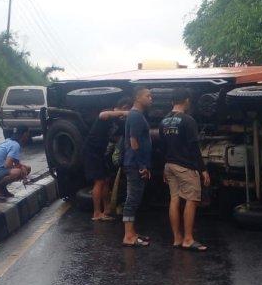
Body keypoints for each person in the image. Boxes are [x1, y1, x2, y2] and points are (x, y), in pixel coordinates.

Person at [159, 88, 211, 252]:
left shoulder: (163, 121)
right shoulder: (188, 120)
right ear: (187, 101)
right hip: (185, 166)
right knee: (192, 199)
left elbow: (162, 147)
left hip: (169, 166)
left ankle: (177, 238)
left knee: (174, 199)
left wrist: (164, 167)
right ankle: (188, 239)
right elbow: (194, 148)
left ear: (172, 101)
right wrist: (203, 170)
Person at [83, 97, 132, 221]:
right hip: (92, 151)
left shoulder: (119, 122)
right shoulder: (109, 113)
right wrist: (124, 113)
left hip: (102, 152)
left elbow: (116, 137)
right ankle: (97, 213)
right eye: (128, 110)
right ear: (125, 108)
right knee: (99, 181)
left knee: (106, 180)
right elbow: (102, 114)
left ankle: (107, 209)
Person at [122, 86, 153, 247]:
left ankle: (132, 232)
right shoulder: (135, 116)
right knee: (132, 199)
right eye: (148, 96)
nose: (151, 99)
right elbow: (134, 142)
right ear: (138, 98)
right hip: (135, 164)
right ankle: (128, 236)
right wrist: (142, 165)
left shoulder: (137, 115)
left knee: (135, 198)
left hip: (135, 163)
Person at [0, 126, 32, 201]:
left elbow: (16, 163)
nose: (28, 137)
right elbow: (8, 165)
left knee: (27, 168)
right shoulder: (15, 145)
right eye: (28, 134)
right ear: (24, 134)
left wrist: (23, 169)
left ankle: (3, 189)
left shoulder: (9, 141)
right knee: (17, 172)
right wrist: (22, 171)